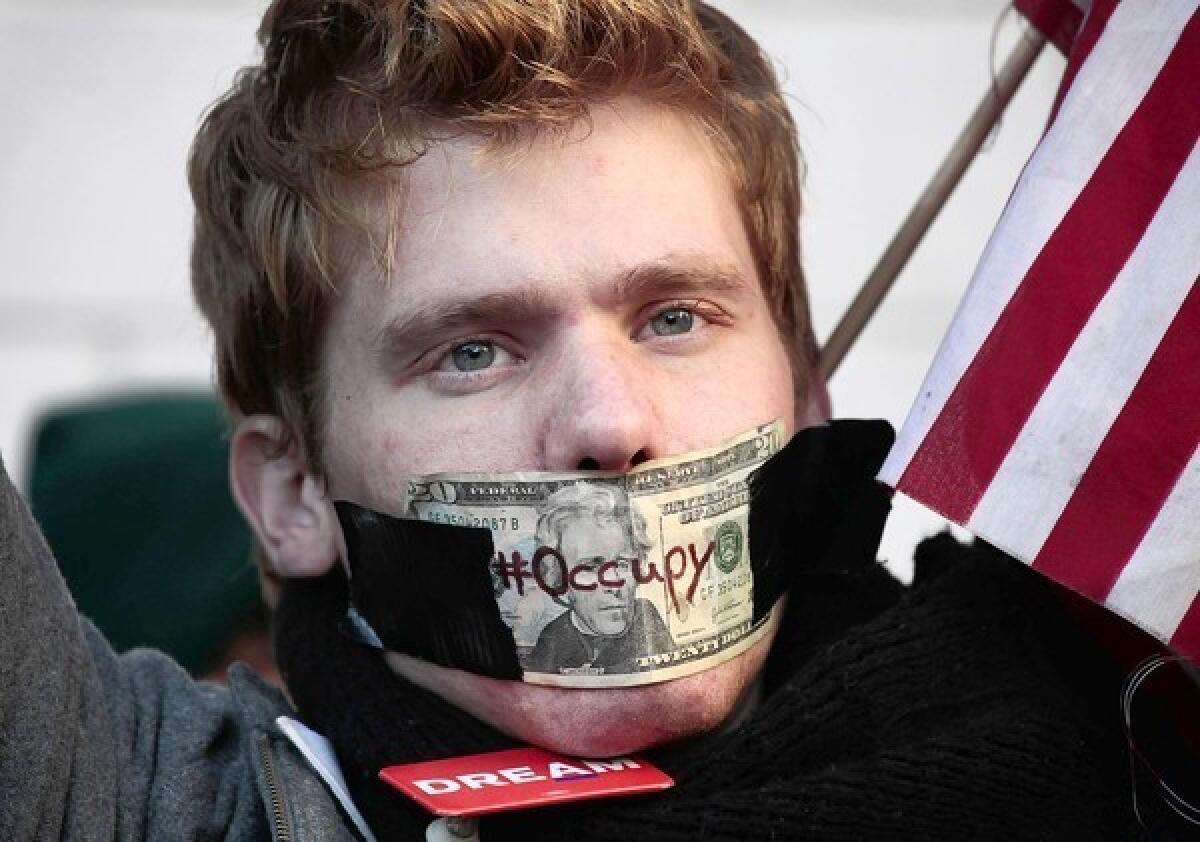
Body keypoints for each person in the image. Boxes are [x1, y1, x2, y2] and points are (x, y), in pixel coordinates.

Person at [0, 1, 1144, 839]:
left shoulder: (1136, 760)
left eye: (676, 317)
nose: (608, 422)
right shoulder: (137, 798)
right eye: (474, 351)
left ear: (805, 396)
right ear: (293, 494)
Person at [525, 483, 674, 674]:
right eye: (590, 567)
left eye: (622, 564)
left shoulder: (647, 620)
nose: (614, 583)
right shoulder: (552, 637)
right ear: (559, 577)